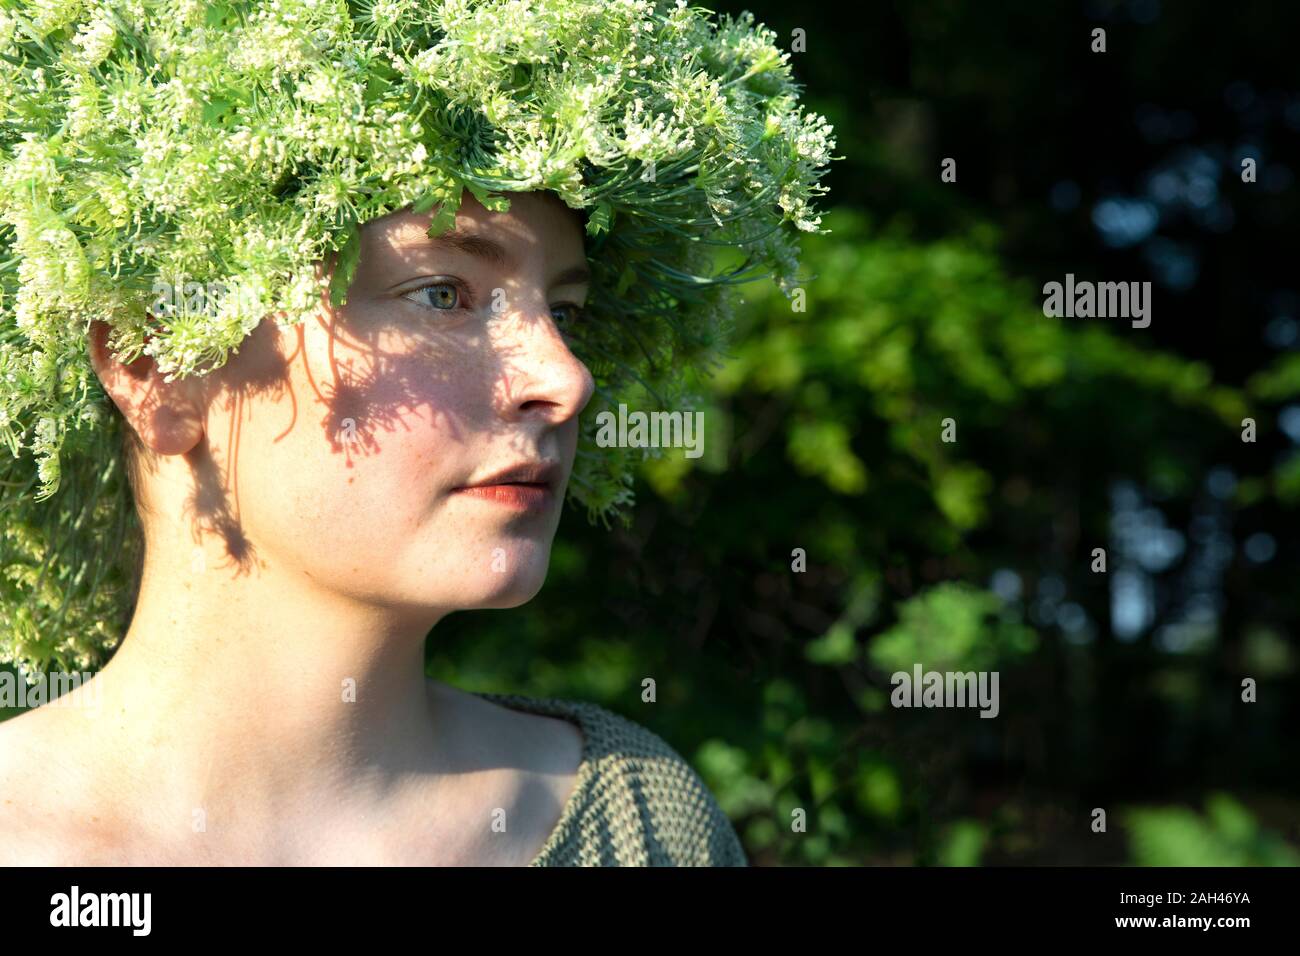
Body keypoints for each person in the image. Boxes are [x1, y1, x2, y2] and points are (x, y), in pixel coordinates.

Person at [0, 0, 835, 866]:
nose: (566, 379)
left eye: (568, 312)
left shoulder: (644, 831)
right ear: (158, 367)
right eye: (443, 294)